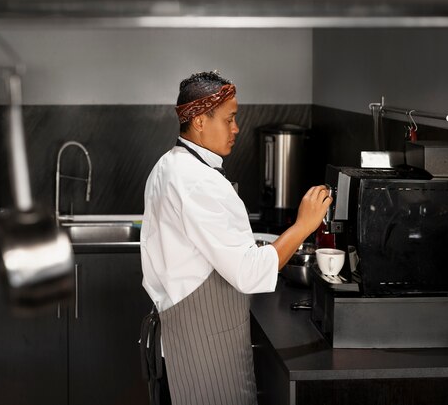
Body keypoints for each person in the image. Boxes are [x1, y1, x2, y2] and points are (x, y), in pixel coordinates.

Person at [139, 71, 331, 405]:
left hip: (181, 337)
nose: (236, 128)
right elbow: (249, 273)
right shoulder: (199, 182)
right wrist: (303, 225)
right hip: (204, 349)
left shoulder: (168, 166)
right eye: (229, 119)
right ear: (199, 121)